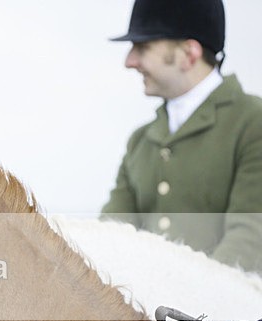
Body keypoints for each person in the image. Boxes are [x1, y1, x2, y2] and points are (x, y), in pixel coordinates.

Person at [101, 0, 262, 273]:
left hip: (227, 299)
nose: (130, 62)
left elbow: (250, 239)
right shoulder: (140, 140)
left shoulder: (252, 123)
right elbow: (110, 235)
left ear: (189, 54)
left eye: (142, 47)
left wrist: (186, 297)